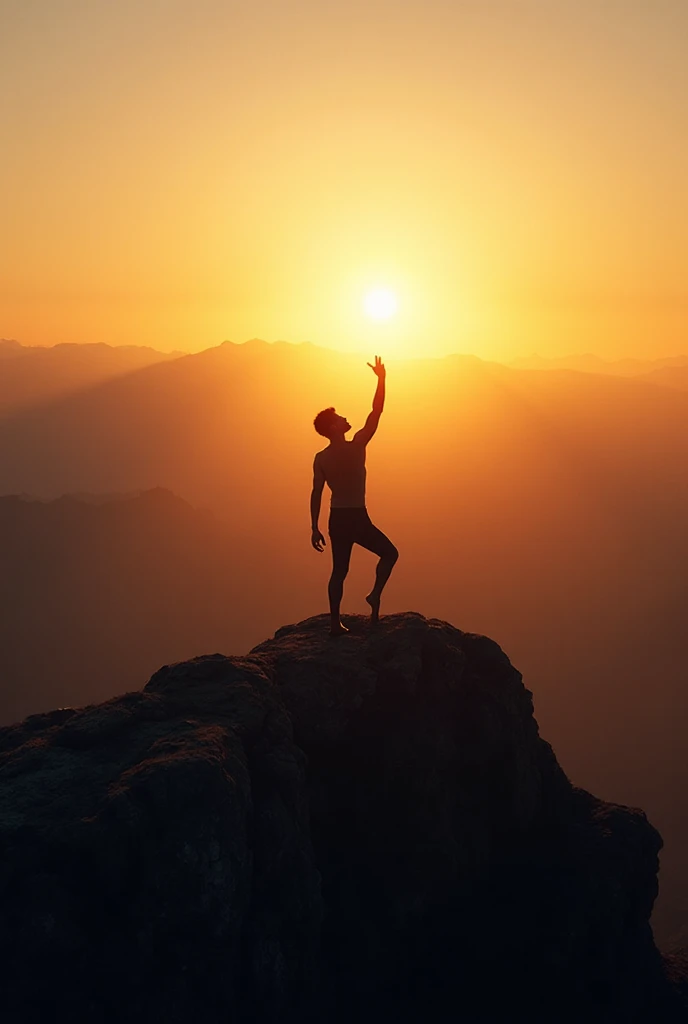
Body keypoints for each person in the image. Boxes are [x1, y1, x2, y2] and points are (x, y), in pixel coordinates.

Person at [310, 356, 399, 636]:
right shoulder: (358, 445)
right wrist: (381, 379)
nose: (345, 419)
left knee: (339, 571)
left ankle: (334, 623)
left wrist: (314, 527)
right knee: (390, 553)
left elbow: (316, 493)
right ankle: (374, 595)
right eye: (340, 418)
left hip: (337, 518)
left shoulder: (321, 458)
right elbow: (376, 411)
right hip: (357, 517)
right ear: (334, 428)